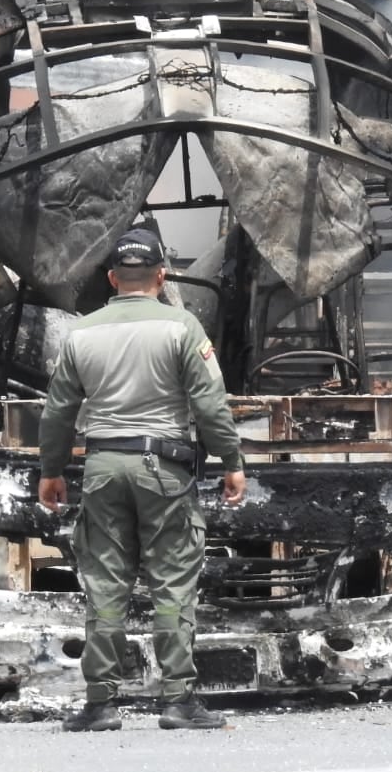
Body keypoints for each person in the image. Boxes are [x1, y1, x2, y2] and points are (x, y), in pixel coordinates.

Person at [38, 228, 247, 732]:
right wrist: (232, 461)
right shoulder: (183, 327)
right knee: (171, 581)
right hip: (164, 468)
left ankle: (100, 704)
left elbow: (58, 411)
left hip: (103, 466)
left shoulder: (80, 333)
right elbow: (210, 405)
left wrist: (50, 470)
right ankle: (177, 701)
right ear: (160, 276)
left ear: (112, 278)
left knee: (106, 582)